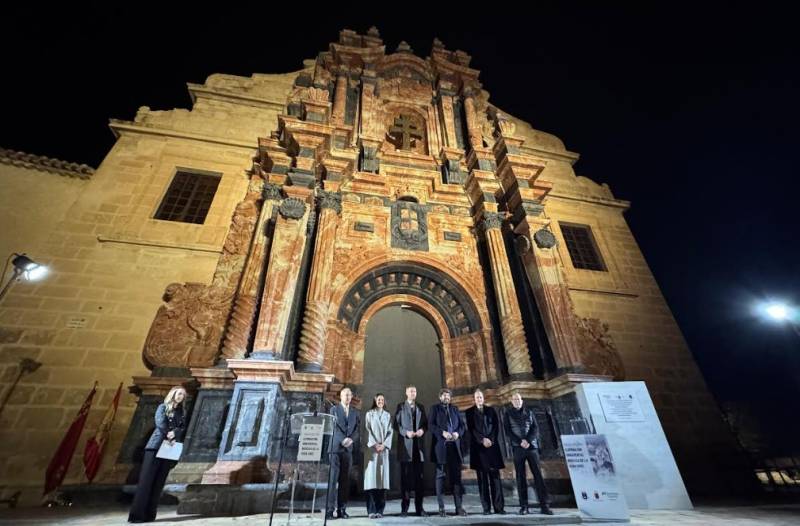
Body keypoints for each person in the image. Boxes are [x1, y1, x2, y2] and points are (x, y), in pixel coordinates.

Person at [128, 386, 187, 523]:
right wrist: (169, 432)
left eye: (183, 395)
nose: (181, 396)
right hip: (155, 447)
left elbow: (182, 427)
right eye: (179, 394)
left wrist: (176, 433)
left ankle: (149, 514)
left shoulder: (182, 411)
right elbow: (160, 422)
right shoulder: (163, 407)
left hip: (169, 448)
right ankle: (137, 515)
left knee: (159, 482)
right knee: (146, 481)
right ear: (173, 394)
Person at [503, 392, 553, 515]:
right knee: (520, 477)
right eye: (515, 399)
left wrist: (528, 440)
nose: (517, 401)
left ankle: (544, 505)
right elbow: (508, 431)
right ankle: (524, 506)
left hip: (531, 447)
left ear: (522, 400)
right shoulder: (507, 414)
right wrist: (520, 441)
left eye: (519, 399)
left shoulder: (529, 412)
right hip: (518, 448)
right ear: (512, 401)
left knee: (538, 476)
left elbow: (535, 428)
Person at [466, 389, 506, 515]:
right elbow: (471, 429)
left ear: (484, 398)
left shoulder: (491, 410)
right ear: (474, 399)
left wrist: (491, 440)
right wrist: (482, 439)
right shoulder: (469, 412)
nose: (479, 399)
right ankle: (486, 508)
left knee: (496, 479)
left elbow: (496, 427)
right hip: (479, 449)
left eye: (481, 397)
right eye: (477, 397)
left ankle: (499, 507)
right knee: (482, 480)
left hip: (492, 447)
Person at [428, 387, 467, 517]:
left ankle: (459, 507)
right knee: (440, 477)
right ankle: (441, 507)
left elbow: (462, 426)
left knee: (457, 478)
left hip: (454, 448)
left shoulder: (455, 409)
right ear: (440, 397)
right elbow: (431, 425)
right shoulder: (435, 409)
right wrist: (442, 433)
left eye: (448, 396)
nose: (447, 397)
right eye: (444, 395)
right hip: (441, 447)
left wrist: (457, 433)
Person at [393, 385, 429, 517]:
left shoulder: (421, 407)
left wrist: (422, 431)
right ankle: (405, 509)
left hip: (418, 450)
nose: (413, 393)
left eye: (414, 391)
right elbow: (396, 425)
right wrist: (405, 433)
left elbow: (426, 424)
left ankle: (420, 508)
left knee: (420, 480)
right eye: (410, 391)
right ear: (406, 393)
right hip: (405, 450)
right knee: (405, 480)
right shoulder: (400, 406)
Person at [327, 386, 360, 520]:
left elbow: (357, 430)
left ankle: (342, 509)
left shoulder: (355, 412)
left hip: (348, 450)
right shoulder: (334, 410)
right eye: (345, 395)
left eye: (349, 395)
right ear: (340, 396)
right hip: (335, 448)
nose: (347, 397)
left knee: (345, 481)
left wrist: (351, 439)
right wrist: (343, 439)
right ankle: (330, 510)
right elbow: (333, 426)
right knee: (333, 480)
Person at [364, 393, 393, 519]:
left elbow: (390, 432)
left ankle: (380, 510)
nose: (380, 401)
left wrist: (384, 445)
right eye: (378, 399)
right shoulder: (369, 414)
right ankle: (371, 510)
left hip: (383, 451)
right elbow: (367, 430)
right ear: (375, 400)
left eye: (382, 399)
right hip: (372, 450)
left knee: (382, 482)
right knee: (371, 482)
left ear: (384, 401)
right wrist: (375, 444)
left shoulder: (387, 415)